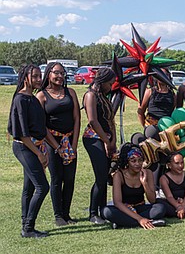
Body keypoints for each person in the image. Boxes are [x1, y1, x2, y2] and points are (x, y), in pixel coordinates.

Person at [35, 62, 80, 226]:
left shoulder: (71, 92)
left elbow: (77, 118)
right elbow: (42, 125)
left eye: (63, 73)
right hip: (52, 143)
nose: (60, 76)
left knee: (69, 179)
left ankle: (67, 214)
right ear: (49, 74)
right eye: (57, 73)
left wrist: (73, 145)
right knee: (56, 178)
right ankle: (58, 216)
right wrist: (56, 147)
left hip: (69, 141)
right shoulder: (41, 96)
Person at [8, 65, 50, 238]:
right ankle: (28, 227)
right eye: (35, 77)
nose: (39, 79)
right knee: (42, 187)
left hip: (35, 146)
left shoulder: (32, 98)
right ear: (25, 77)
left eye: (40, 76)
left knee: (30, 187)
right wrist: (39, 153)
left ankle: (26, 225)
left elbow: (40, 127)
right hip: (25, 147)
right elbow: (22, 133)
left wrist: (44, 148)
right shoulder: (20, 99)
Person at [82, 67, 117, 225]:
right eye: (110, 83)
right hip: (94, 138)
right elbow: (93, 121)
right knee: (101, 176)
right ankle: (92, 213)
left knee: (105, 176)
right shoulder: (91, 95)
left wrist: (113, 140)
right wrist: (105, 141)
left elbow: (111, 120)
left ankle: (103, 210)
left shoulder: (104, 96)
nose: (111, 86)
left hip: (107, 139)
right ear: (102, 82)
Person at [102, 144, 166, 229]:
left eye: (140, 160)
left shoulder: (147, 173)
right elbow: (117, 203)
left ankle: (124, 223)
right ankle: (148, 222)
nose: (137, 164)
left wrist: (145, 183)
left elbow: (152, 200)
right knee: (106, 211)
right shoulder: (119, 175)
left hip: (140, 207)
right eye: (133, 161)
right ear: (127, 162)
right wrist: (140, 219)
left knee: (160, 208)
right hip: (125, 209)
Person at [158, 152, 185, 220]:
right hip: (172, 203)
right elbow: (169, 196)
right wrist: (178, 206)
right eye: (177, 163)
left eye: (182, 162)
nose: (180, 166)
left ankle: (180, 213)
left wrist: (182, 206)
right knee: (160, 203)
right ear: (169, 165)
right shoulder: (164, 178)